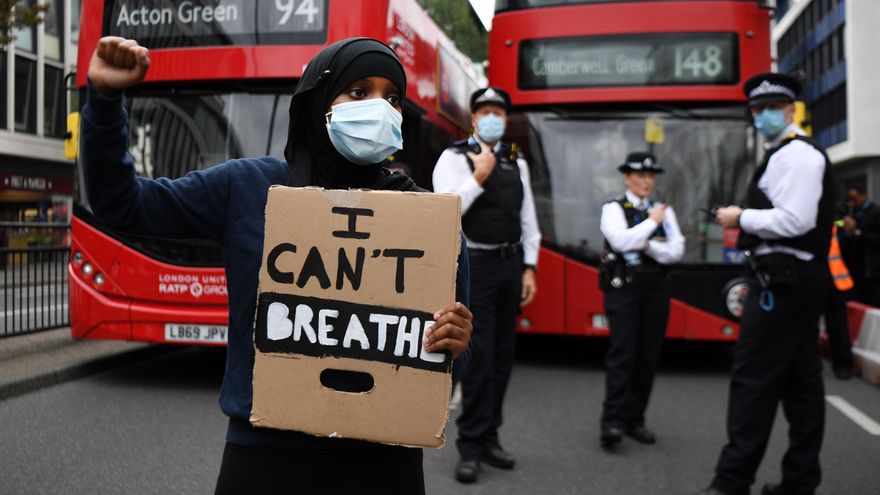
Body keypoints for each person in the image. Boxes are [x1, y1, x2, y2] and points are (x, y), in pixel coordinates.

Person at [82, 36, 473, 494]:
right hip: (265, 456)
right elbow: (122, 205)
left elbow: (448, 368)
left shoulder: (428, 222)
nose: (379, 108)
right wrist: (106, 103)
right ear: (319, 101)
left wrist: (457, 342)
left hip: (384, 460)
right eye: (359, 91)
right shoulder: (248, 187)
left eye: (392, 97)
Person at [697, 72, 834, 495]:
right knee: (801, 387)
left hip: (783, 281)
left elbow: (797, 220)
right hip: (793, 280)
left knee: (753, 380)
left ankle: (731, 482)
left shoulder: (798, 156)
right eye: (757, 110)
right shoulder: (783, 154)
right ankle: (799, 482)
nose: (763, 116)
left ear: (792, 110)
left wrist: (741, 217)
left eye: (772, 108)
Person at [432, 86, 540, 483]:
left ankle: (491, 436)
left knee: (503, 357)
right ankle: (471, 446)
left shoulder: (517, 160)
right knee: (477, 358)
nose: (493, 117)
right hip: (475, 265)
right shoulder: (454, 157)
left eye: (499, 111)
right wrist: (478, 177)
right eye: (486, 111)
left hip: (510, 264)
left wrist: (531, 267)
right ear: (474, 119)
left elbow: (528, 219)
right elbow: (444, 210)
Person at [597, 152, 684, 448]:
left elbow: (675, 250)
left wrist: (646, 245)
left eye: (650, 176)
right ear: (627, 178)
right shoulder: (613, 207)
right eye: (640, 175)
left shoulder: (663, 210)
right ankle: (612, 422)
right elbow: (619, 242)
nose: (646, 181)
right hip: (624, 287)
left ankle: (636, 420)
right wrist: (650, 227)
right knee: (623, 353)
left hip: (655, 287)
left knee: (647, 355)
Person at [825, 222, 855, 380]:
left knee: (838, 326)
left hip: (835, 284)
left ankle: (843, 364)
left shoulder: (838, 228)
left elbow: (850, 254)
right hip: (812, 280)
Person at [841, 187, 880, 307]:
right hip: (854, 268)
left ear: (863, 196)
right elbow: (837, 223)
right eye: (850, 199)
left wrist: (858, 232)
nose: (853, 202)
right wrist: (842, 222)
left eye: (855, 198)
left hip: (870, 269)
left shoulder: (876, 212)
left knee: (872, 303)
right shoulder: (851, 212)